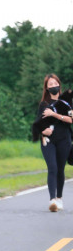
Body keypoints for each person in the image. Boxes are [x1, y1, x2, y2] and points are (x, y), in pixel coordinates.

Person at [38, 74, 72, 212]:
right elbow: (38, 123)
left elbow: (71, 120)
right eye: (50, 84)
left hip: (64, 140)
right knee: (52, 167)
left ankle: (59, 198)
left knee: (60, 169)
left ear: (59, 84)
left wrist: (54, 115)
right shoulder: (44, 104)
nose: (53, 86)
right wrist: (43, 130)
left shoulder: (66, 102)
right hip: (48, 141)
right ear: (46, 88)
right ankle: (52, 200)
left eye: (55, 83)